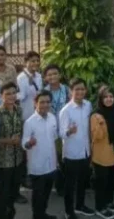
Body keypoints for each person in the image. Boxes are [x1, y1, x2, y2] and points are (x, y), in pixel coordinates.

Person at [58, 79, 94, 218]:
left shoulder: (88, 105)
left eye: (82, 89)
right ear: (70, 91)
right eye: (76, 89)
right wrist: (69, 131)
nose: (80, 92)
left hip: (85, 151)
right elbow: (61, 133)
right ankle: (69, 211)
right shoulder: (65, 111)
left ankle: (80, 206)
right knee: (70, 185)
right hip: (71, 154)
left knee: (83, 181)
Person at [0, 82, 27, 219]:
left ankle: (10, 214)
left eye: (14, 93)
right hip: (3, 160)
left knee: (14, 191)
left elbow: (22, 131)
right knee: (4, 193)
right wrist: (8, 141)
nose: (12, 96)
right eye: (8, 94)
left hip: (18, 158)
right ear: (1, 96)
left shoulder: (19, 110)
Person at [23, 91, 59, 219]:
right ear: (35, 103)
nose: (45, 105)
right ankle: (37, 216)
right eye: (42, 102)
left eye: (48, 102)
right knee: (38, 195)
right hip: (37, 167)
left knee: (47, 193)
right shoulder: (30, 122)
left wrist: (56, 162)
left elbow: (54, 139)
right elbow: (24, 144)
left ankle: (43, 214)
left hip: (51, 165)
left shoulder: (52, 117)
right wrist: (29, 143)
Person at [90, 85, 114, 219]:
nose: (109, 99)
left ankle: (108, 202)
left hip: (113, 152)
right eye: (106, 97)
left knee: (110, 180)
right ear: (101, 99)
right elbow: (97, 137)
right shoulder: (96, 115)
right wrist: (101, 125)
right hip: (101, 154)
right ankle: (99, 207)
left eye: (111, 96)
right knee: (101, 182)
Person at [43, 64, 70, 197]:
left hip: (65, 130)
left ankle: (66, 185)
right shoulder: (43, 92)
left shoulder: (66, 90)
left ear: (60, 75)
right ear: (46, 78)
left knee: (64, 157)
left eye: (55, 73)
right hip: (50, 130)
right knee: (54, 158)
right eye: (49, 75)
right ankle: (57, 186)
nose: (52, 76)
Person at [17, 52, 43, 122]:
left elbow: (39, 92)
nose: (36, 63)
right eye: (33, 61)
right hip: (26, 112)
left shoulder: (39, 76)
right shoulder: (21, 78)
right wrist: (29, 85)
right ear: (26, 62)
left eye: (38, 61)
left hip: (38, 111)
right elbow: (21, 96)